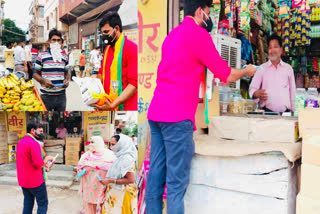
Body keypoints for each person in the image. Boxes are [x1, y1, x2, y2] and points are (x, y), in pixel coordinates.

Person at [145, 1, 257, 213]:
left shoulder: (172, 35)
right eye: (208, 13)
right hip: (176, 117)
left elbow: (178, 70)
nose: (210, 18)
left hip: (157, 112)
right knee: (176, 185)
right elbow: (227, 75)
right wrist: (246, 70)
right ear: (199, 12)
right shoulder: (198, 35)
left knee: (156, 176)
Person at [90, 11, 137, 111]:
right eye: (102, 33)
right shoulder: (107, 49)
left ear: (116, 29)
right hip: (107, 104)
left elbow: (133, 84)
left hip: (124, 107)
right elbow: (102, 73)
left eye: (106, 32)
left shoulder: (131, 48)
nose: (104, 35)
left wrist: (113, 105)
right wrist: (92, 82)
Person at [249, 34, 296, 113]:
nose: (272, 50)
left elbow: (292, 92)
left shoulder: (288, 69)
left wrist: (294, 111)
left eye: (275, 47)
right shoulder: (261, 68)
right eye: (270, 47)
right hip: (266, 112)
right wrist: (255, 94)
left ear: (281, 50)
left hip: (286, 113)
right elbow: (252, 89)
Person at [16, 121, 53, 214]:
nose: (42, 133)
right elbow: (38, 164)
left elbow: (27, 162)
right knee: (42, 203)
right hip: (35, 181)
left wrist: (45, 166)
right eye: (40, 131)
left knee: (28, 202)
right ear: (33, 131)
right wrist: (48, 158)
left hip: (23, 181)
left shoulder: (20, 142)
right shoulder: (34, 143)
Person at [76, 136, 116, 214]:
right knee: (90, 204)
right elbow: (79, 165)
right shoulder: (87, 155)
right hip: (89, 185)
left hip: (103, 184)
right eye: (90, 142)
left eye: (93, 142)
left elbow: (114, 167)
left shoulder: (109, 154)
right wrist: (79, 170)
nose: (90, 144)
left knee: (103, 203)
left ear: (99, 143)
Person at [33, 28, 70, 111]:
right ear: (49, 41)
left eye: (58, 40)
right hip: (46, 96)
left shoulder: (64, 57)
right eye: (54, 40)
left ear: (61, 42)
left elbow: (66, 72)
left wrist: (66, 80)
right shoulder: (42, 55)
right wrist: (43, 80)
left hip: (61, 96)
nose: (56, 42)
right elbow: (35, 73)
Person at [100, 135, 137, 214]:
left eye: (113, 144)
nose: (110, 147)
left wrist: (110, 180)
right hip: (116, 192)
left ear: (121, 145)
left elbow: (131, 179)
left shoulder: (127, 159)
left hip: (123, 193)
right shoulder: (120, 156)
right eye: (110, 144)